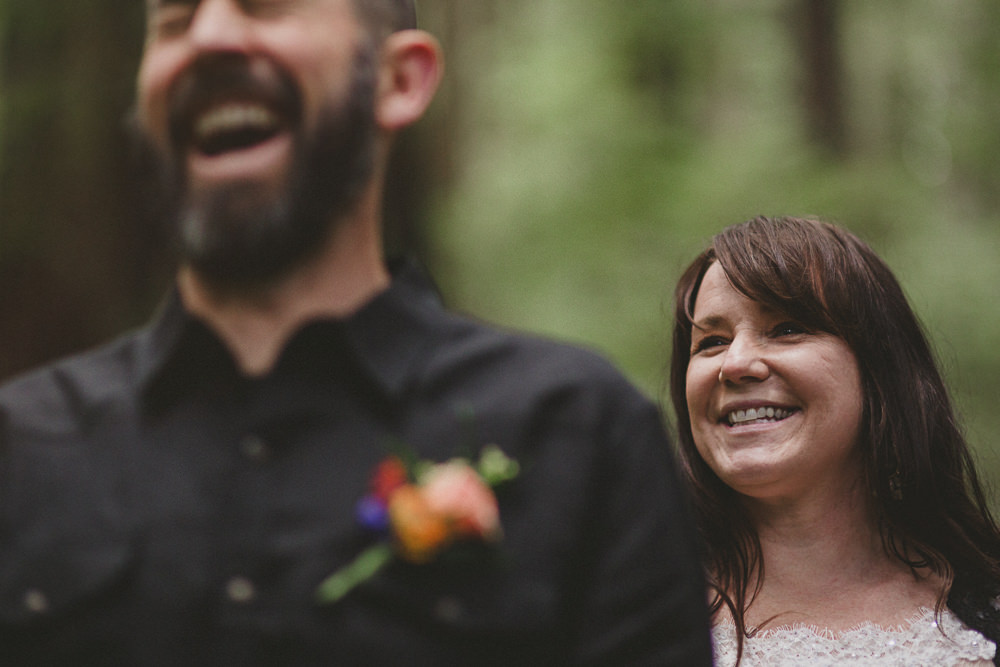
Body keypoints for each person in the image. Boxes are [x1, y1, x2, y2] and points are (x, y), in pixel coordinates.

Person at [0, 0, 713, 664]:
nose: (210, 36)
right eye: (175, 19)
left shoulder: (582, 432)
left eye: (266, 3)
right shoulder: (20, 446)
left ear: (399, 81)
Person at [669, 215, 1000, 666]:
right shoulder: (619, 609)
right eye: (710, 342)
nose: (736, 362)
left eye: (786, 328)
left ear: (880, 370)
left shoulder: (986, 603)